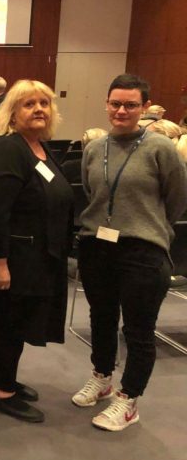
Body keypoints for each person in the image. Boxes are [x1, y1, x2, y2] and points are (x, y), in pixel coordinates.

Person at [72, 74, 187, 431]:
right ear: (106, 104)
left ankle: (129, 398)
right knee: (101, 318)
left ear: (144, 107)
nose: (121, 111)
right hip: (97, 245)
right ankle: (102, 377)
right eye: (116, 104)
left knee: (138, 329)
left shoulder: (160, 148)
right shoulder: (95, 148)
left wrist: (149, 225)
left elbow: (177, 198)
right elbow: (92, 193)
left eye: (130, 105)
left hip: (143, 249)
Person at [0, 80, 73, 423]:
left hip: (37, 258)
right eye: (28, 104)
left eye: (44, 103)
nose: (38, 109)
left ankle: (2, 377)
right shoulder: (8, 148)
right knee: (11, 325)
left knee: (17, 325)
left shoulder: (39, 147)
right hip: (14, 259)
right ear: (12, 113)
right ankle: (3, 394)